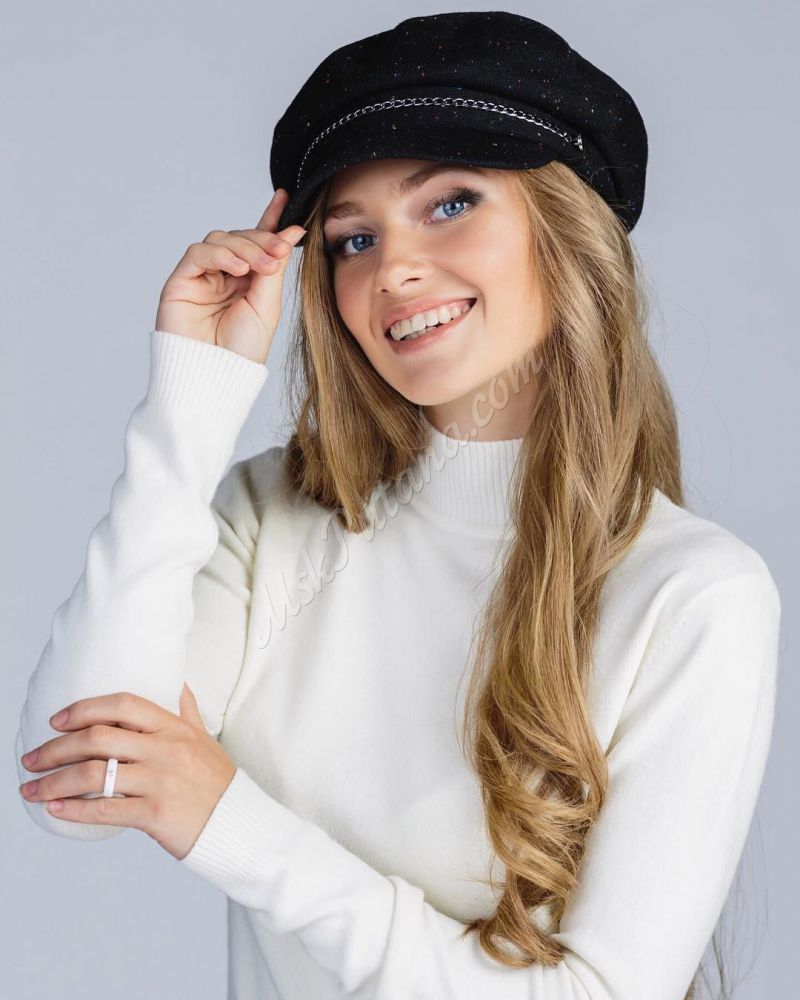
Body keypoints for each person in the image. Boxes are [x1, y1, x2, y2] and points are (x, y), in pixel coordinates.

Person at [16, 12, 781, 1000]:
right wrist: (188, 403)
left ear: (566, 229)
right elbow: (76, 782)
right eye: (353, 239)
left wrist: (226, 819)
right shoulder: (270, 517)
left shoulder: (694, 596)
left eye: (450, 202)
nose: (392, 270)